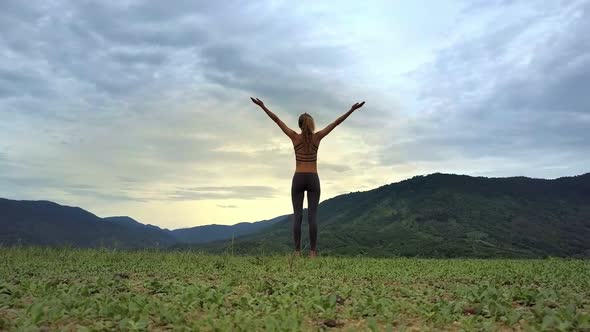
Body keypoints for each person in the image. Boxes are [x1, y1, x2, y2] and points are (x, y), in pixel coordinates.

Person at [251, 97, 365, 258]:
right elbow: (336, 123)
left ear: (299, 125)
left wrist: (262, 106)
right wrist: (352, 110)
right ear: (311, 124)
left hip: (298, 178)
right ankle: (312, 252)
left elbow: (276, 120)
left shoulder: (294, 137)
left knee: (297, 215)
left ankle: (297, 252)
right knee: (313, 216)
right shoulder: (317, 138)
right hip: (313, 178)